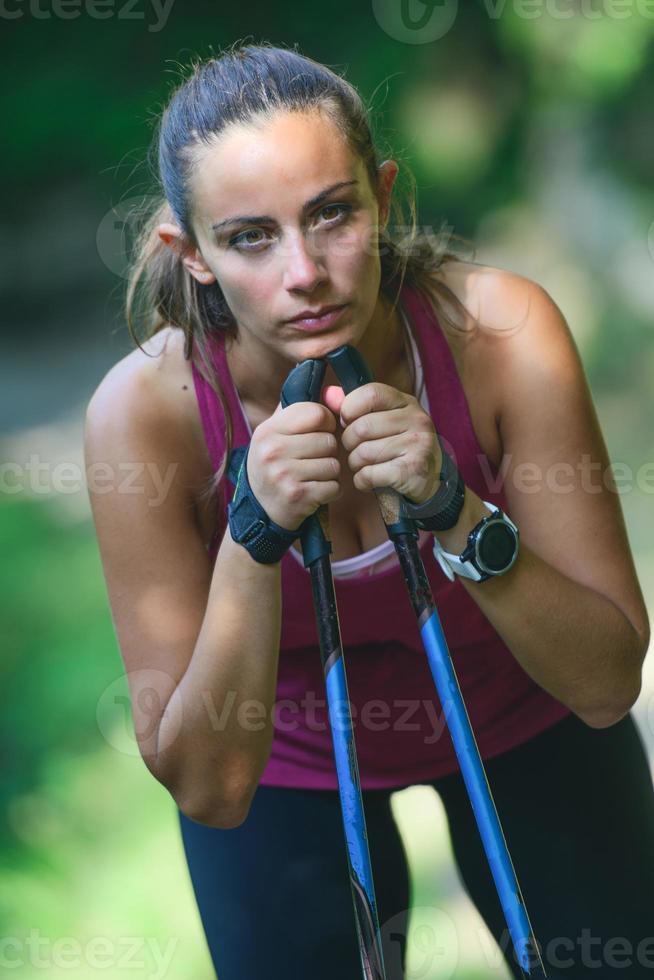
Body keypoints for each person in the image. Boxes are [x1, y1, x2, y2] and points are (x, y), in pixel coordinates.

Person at [84, 40, 654, 979]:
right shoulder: (144, 417)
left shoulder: (501, 335)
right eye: (249, 237)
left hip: (524, 711)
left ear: (382, 197)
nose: (304, 273)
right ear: (189, 256)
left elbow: (604, 683)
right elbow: (209, 787)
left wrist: (454, 507)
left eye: (333, 214)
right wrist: (253, 532)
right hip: (290, 760)